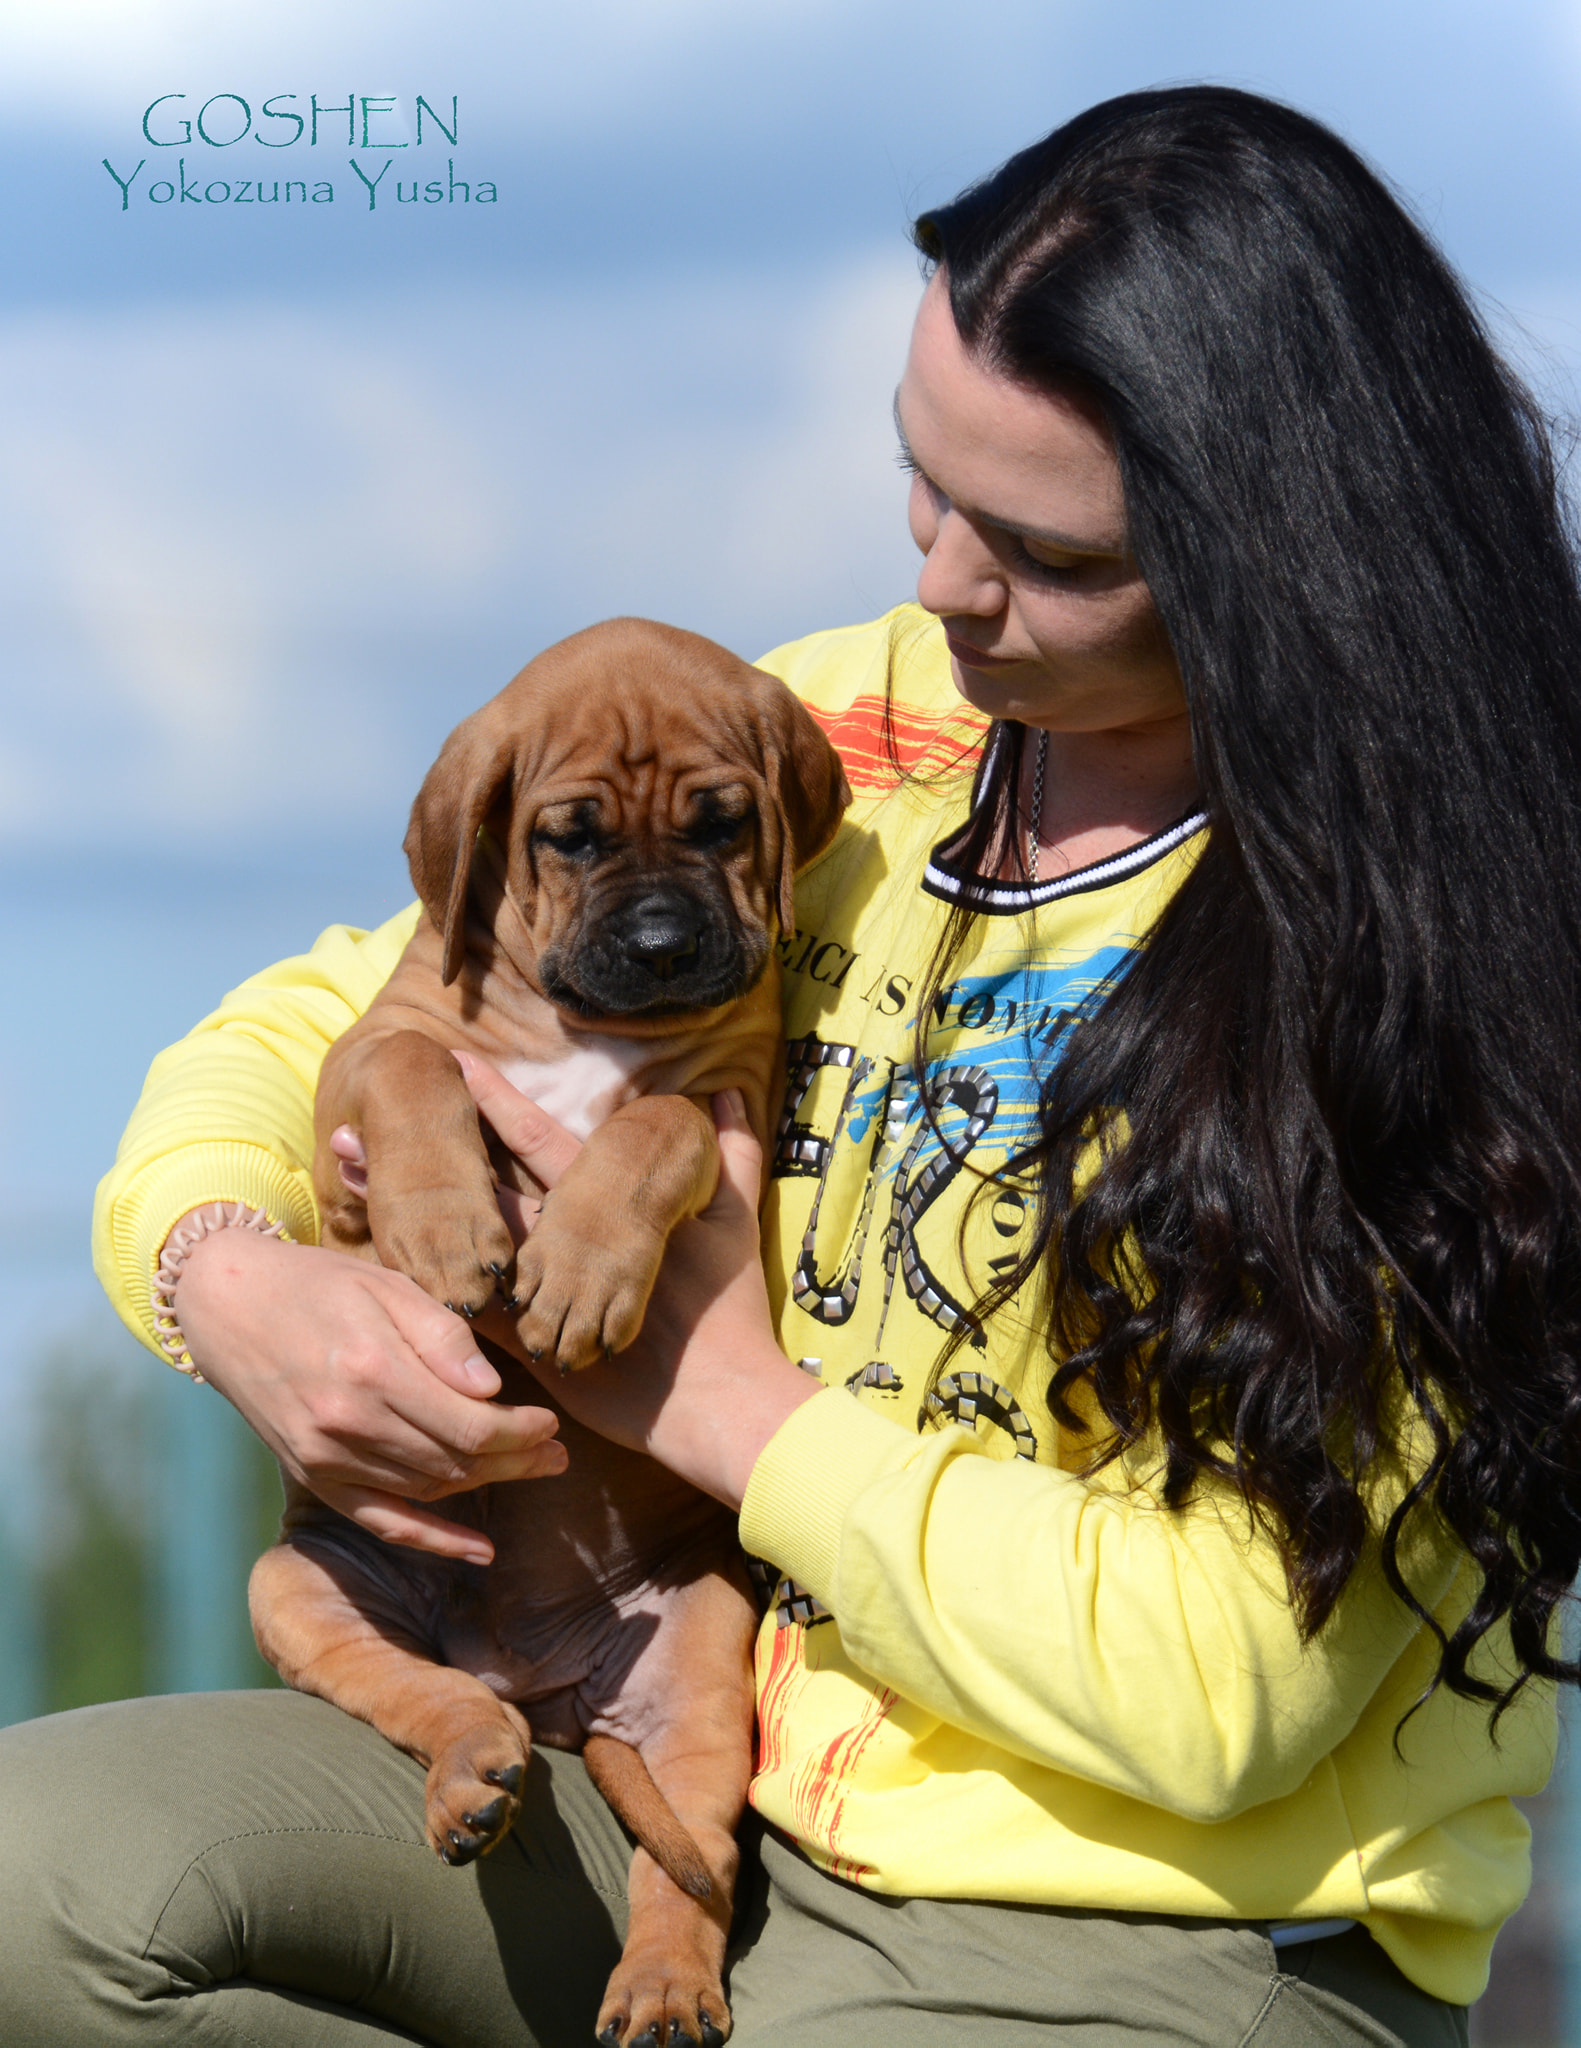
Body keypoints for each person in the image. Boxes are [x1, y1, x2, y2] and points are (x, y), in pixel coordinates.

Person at [4, 84, 1577, 2047]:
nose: (940, 581)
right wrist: (230, 1274)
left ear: (1274, 569)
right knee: (37, 1886)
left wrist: (728, 1404)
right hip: (648, 1755)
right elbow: (332, 1000)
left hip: (1106, 1924)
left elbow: (1219, 1693)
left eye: (1038, 548)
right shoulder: (844, 720)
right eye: (920, 481)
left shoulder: (1432, 967)